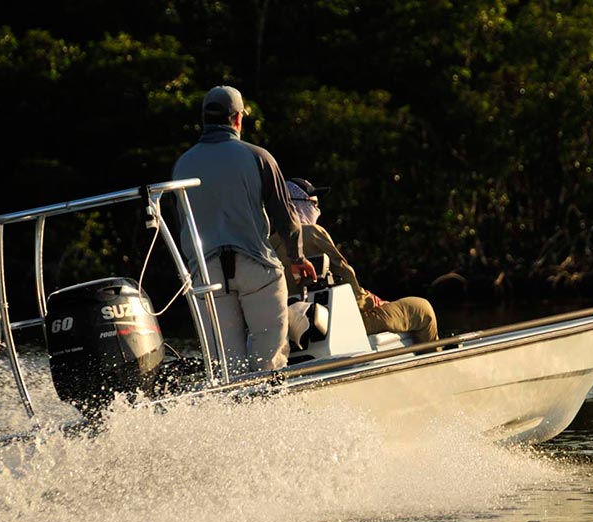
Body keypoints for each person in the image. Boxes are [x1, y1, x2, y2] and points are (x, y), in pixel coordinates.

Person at [172, 86, 317, 372]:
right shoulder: (259, 156)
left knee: (227, 367)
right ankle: (267, 409)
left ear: (205, 119)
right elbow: (285, 216)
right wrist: (297, 258)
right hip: (255, 267)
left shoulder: (182, 164)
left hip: (207, 273)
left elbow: (182, 223)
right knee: (268, 361)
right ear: (237, 119)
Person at [272, 178, 439, 344]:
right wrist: (371, 301)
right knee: (422, 309)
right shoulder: (311, 233)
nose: (317, 210)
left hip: (289, 328)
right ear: (295, 205)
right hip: (338, 323)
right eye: (313, 204)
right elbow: (348, 281)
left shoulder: (267, 245)